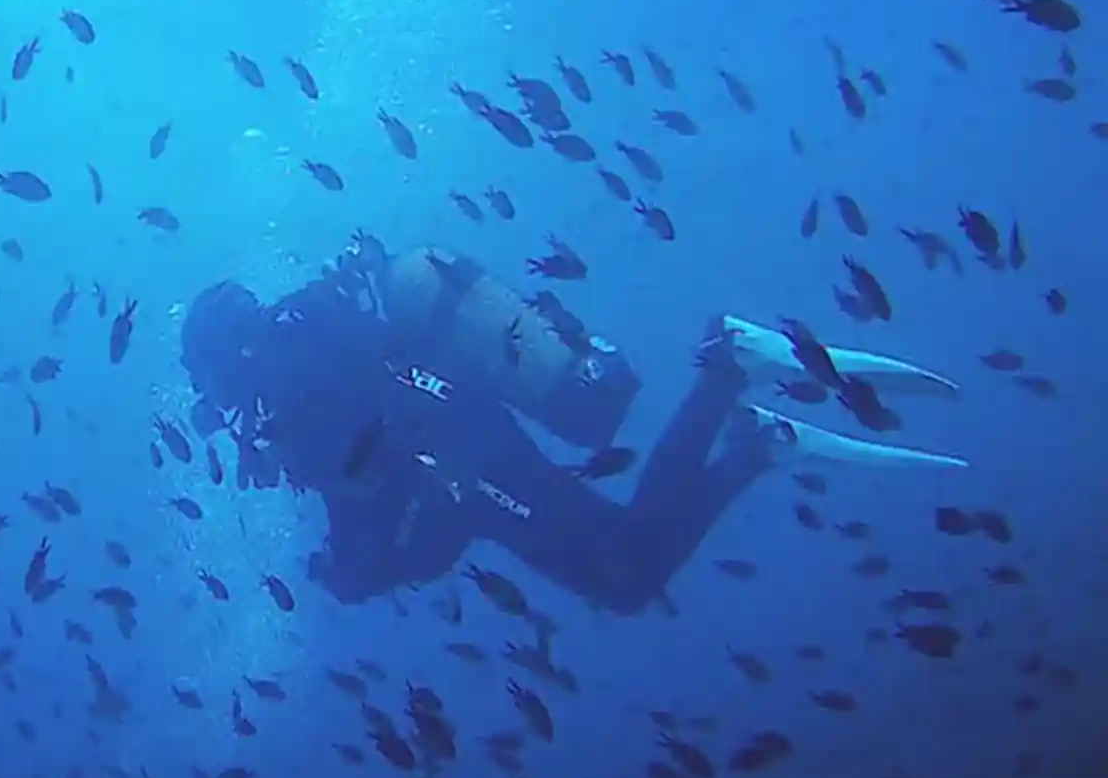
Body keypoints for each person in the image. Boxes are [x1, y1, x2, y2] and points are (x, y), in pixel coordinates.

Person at [179, 234, 967, 614]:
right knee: (621, 582)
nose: (217, 404)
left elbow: (365, 497)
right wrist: (395, 555)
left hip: (467, 453)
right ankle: (759, 440)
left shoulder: (284, 391)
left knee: (626, 567)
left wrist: (359, 575)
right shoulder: (304, 360)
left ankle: (728, 368)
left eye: (209, 381)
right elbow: (377, 478)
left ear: (226, 357)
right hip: (465, 449)